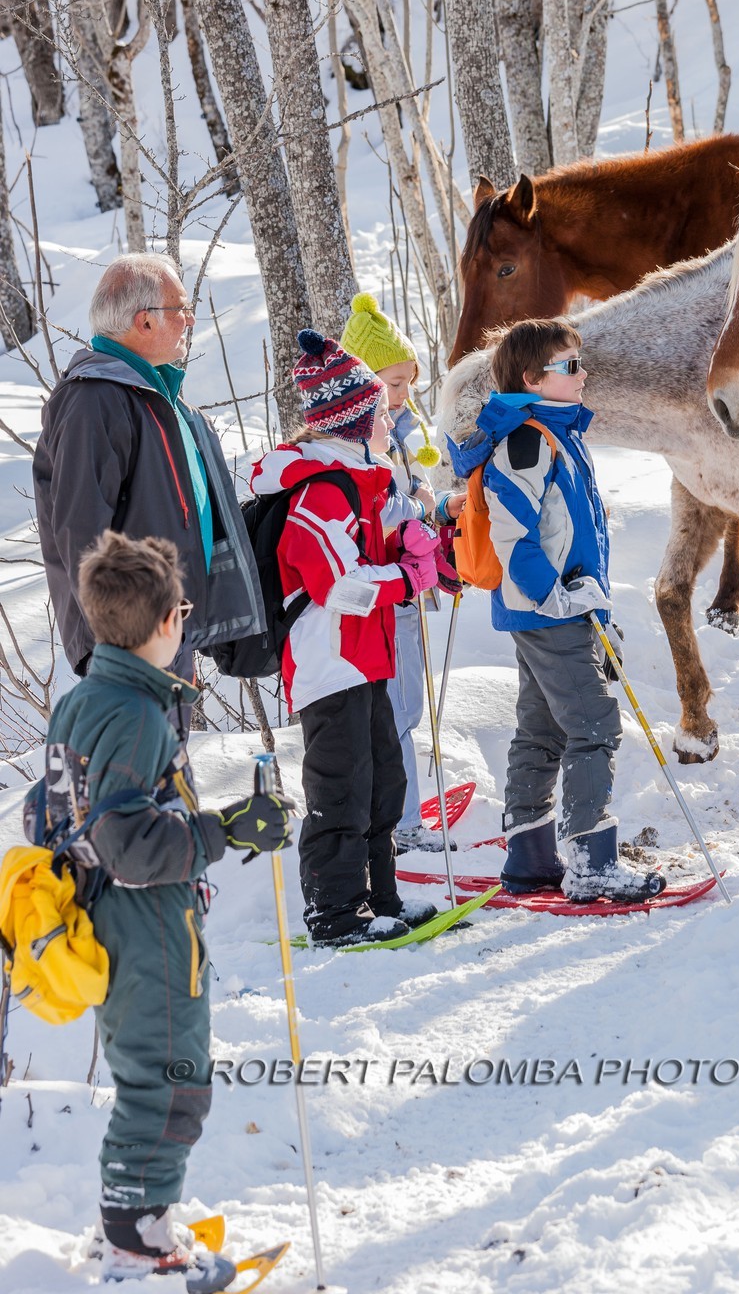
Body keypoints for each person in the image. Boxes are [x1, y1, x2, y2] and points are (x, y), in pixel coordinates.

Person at [44, 530, 290, 1289]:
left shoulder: (88, 699)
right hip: (144, 926)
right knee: (171, 1079)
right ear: (165, 625)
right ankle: (138, 1244)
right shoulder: (134, 715)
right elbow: (124, 843)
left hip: (120, 919)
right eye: (182, 609)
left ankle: (131, 1219)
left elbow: (60, 814)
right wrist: (221, 831)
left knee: (152, 1072)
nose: (184, 621)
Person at [450, 318, 659, 902]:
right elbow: (514, 535)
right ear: (530, 378)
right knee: (594, 725)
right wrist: (556, 595)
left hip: (554, 607)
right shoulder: (527, 440)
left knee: (542, 730)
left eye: (578, 363)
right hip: (549, 611)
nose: (582, 373)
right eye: (569, 366)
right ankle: (590, 860)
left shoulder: (554, 434)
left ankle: (530, 856)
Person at [248, 330, 441, 945]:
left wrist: (420, 547)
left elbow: (373, 557)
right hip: (328, 664)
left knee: (384, 781)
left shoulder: (363, 482)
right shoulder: (320, 492)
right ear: (356, 421)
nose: (391, 418)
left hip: (368, 658)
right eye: (382, 409)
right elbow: (336, 585)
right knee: (341, 790)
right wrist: (406, 578)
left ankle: (380, 898)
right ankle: (333, 913)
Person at [33, 253, 264, 681]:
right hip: (130, 640)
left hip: (163, 632)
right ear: (145, 322)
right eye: (181, 309)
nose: (190, 321)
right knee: (141, 748)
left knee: (166, 749)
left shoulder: (157, 401)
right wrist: (126, 640)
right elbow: (81, 530)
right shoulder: (93, 401)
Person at [340, 292, 465, 852]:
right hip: (386, 595)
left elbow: (412, 505)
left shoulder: (401, 438)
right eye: (393, 384)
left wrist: (440, 518)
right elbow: (385, 515)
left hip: (408, 590)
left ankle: (402, 811)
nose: (404, 396)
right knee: (398, 709)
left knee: (406, 707)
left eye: (409, 382)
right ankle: (400, 823)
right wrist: (421, 514)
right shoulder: (359, 449)